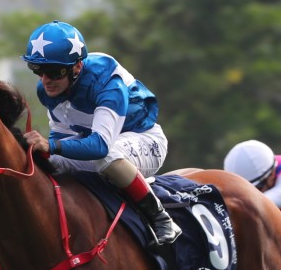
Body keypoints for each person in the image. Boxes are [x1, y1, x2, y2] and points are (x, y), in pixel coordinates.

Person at [20, 20, 181, 249]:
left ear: (76, 67)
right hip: (99, 145)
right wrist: (47, 150)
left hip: (145, 140)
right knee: (41, 160)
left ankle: (161, 217)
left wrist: (51, 146)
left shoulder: (106, 82)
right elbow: (61, 136)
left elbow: (100, 147)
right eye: (38, 70)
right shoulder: (47, 90)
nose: (46, 80)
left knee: (105, 156)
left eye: (54, 72)